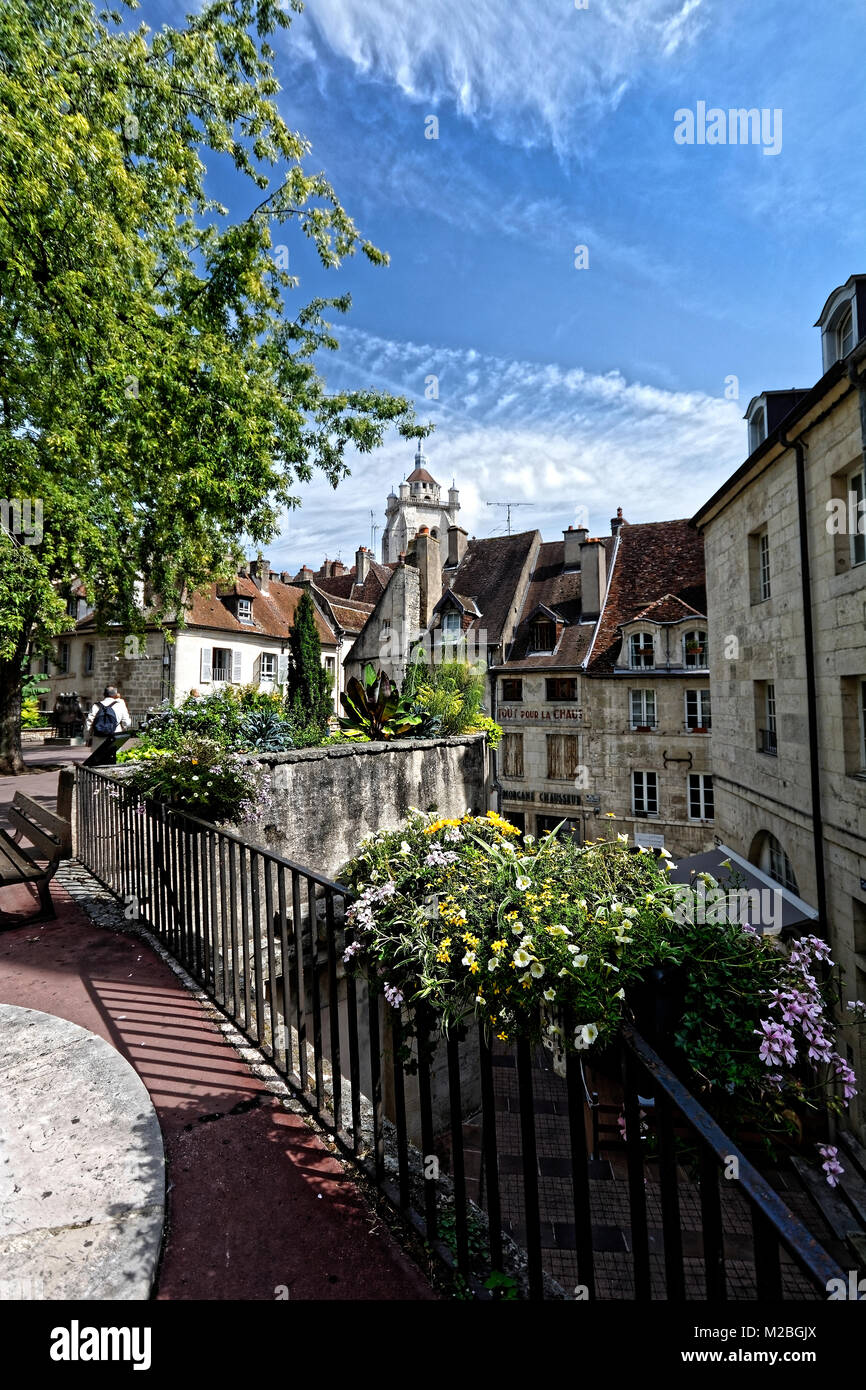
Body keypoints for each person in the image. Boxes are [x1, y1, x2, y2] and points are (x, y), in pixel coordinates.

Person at [84, 685, 132, 765]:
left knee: (98, 763)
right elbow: (127, 723)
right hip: (114, 737)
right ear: (115, 695)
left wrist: (88, 738)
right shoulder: (120, 705)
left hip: (98, 738)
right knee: (114, 762)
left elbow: (89, 722)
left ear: (104, 694)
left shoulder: (96, 705)